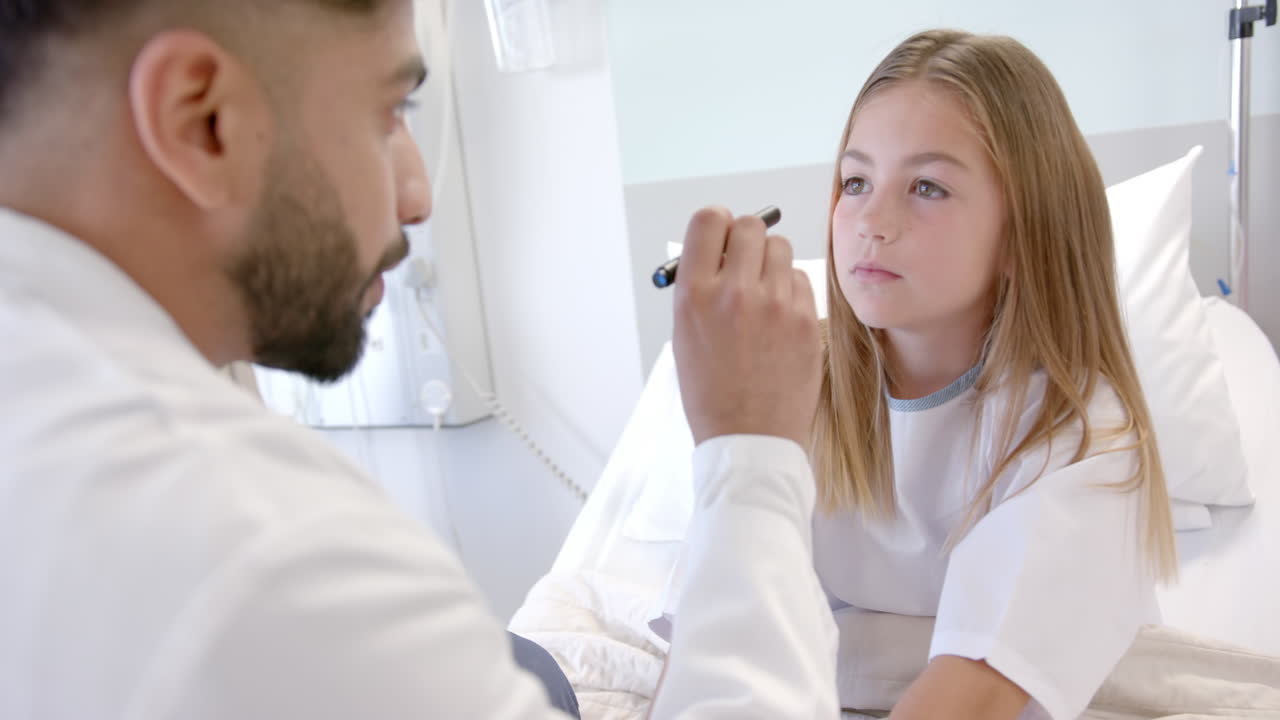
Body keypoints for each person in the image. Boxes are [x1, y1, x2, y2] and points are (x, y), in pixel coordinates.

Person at [0, 1, 838, 717]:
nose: (416, 194)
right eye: (388, 113)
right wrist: (754, 457)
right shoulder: (265, 555)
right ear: (201, 120)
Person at [809, 29, 1177, 720]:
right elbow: (711, 644)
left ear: (1022, 234)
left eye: (927, 187)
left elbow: (973, 692)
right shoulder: (790, 390)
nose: (871, 222)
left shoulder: (1079, 434)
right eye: (856, 181)